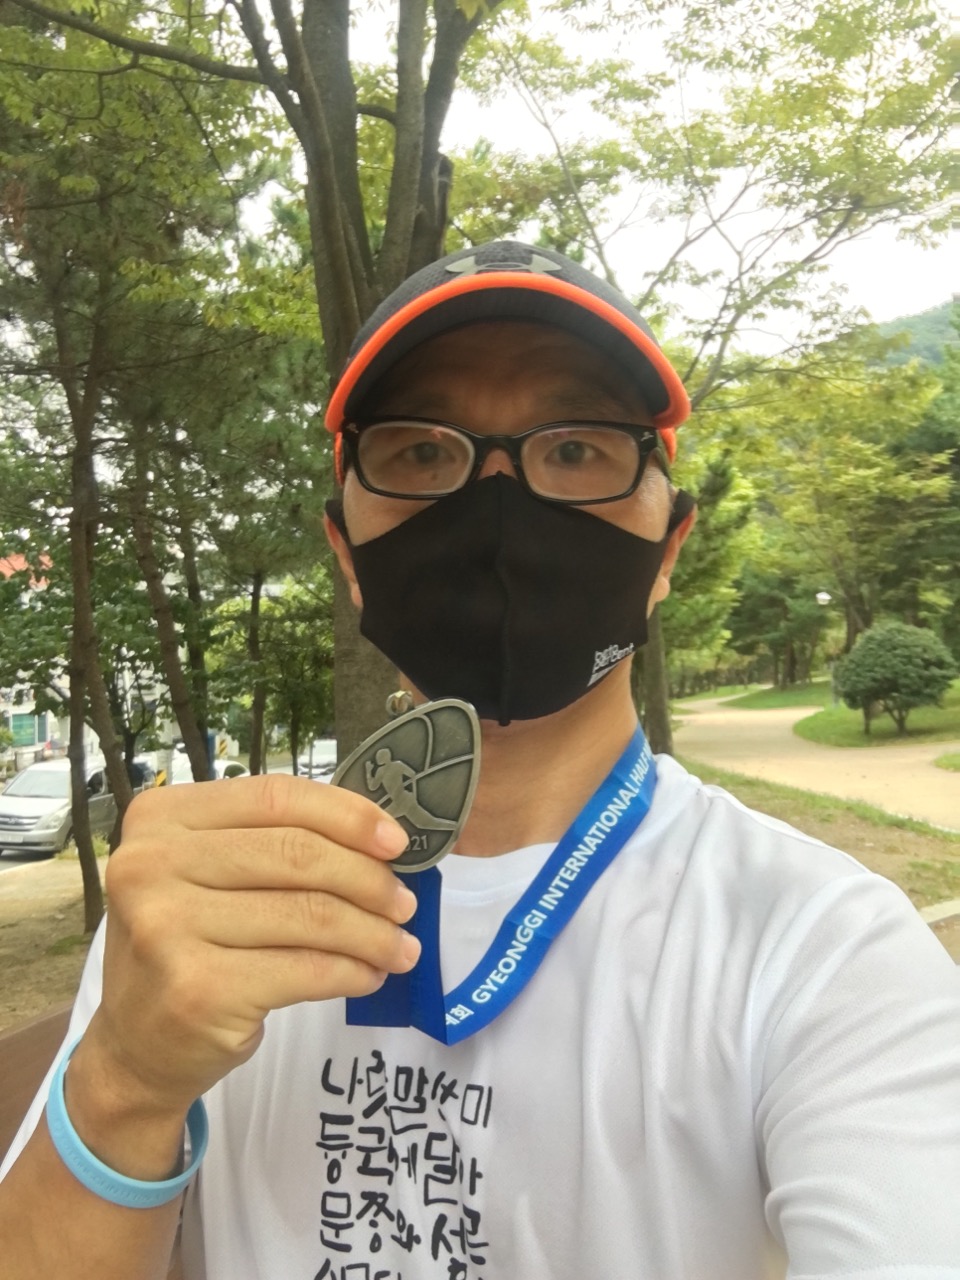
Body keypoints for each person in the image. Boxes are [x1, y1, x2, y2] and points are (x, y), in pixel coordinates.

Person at [1, 239, 958, 1280]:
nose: (498, 501)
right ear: (347, 555)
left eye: (578, 448)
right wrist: (126, 1084)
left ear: (668, 552)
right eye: (422, 451)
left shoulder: (820, 951)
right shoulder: (200, 911)